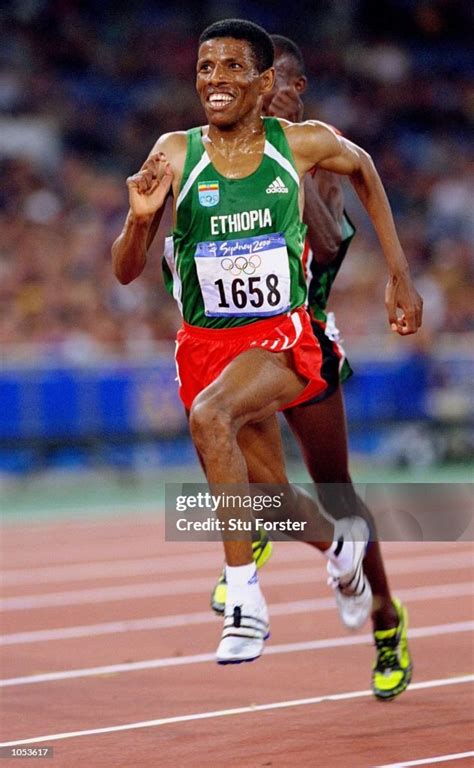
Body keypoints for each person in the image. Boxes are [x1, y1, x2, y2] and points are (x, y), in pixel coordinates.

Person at [112, 19, 422, 667]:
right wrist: (140, 226)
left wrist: (398, 273)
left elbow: (359, 173)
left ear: (268, 82)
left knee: (236, 430)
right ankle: (339, 548)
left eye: (233, 69)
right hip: (206, 345)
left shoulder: (303, 149)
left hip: (289, 333)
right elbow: (125, 267)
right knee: (270, 498)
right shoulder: (173, 151)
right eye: (205, 68)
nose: (215, 80)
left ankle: (259, 603)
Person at [209, 34, 416, 700]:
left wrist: (397, 273)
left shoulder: (316, 164)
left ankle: (386, 616)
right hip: (241, 346)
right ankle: (259, 540)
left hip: (306, 342)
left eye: (278, 86)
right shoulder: (225, 156)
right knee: (234, 449)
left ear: (295, 92)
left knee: (336, 489)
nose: (263, 96)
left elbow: (325, 237)